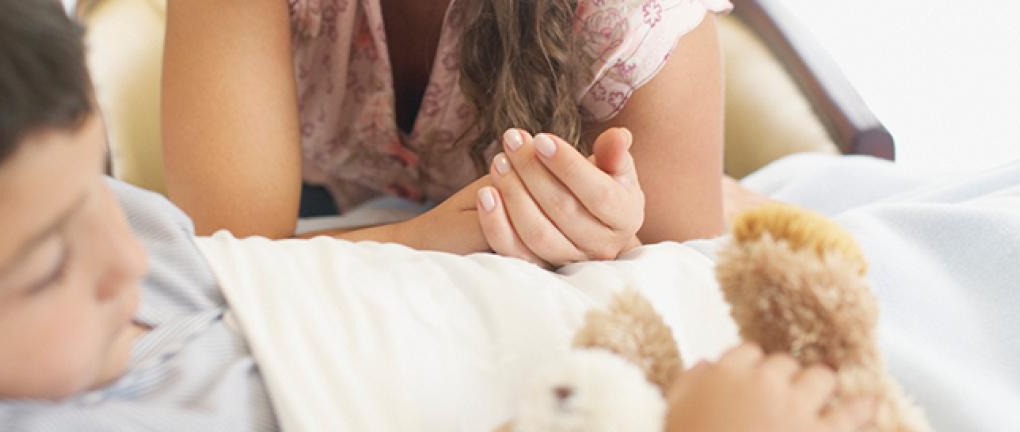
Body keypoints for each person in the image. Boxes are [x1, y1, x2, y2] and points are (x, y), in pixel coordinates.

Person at [0, 0, 871, 432]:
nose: (128, 257)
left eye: (100, 190)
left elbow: (228, 251)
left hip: (602, 294)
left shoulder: (96, 244)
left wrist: (465, 228)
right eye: (43, 266)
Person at [159, 0, 734, 267]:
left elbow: (690, 282)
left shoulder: (639, 15)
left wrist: (610, 238)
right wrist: (422, 238)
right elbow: (226, 256)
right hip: (318, 193)